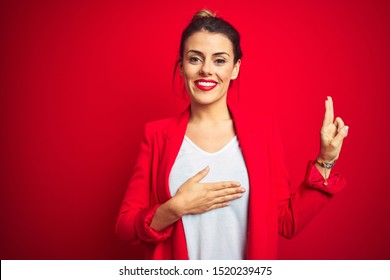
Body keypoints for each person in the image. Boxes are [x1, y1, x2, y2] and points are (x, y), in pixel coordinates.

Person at [116, 9, 349, 260]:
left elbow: (285, 221)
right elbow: (125, 228)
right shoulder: (156, 135)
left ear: (235, 68)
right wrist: (174, 209)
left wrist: (326, 159)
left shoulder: (262, 132)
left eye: (219, 60)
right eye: (195, 59)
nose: (206, 70)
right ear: (182, 66)